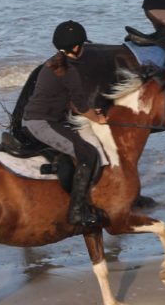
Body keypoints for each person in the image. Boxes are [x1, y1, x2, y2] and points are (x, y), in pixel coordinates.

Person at [23, 20, 106, 226]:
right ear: (76, 47)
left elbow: (70, 102)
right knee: (88, 154)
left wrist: (87, 111)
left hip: (45, 118)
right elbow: (81, 105)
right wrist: (99, 118)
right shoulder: (70, 71)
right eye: (83, 45)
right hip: (41, 123)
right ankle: (76, 211)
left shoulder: (53, 63)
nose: (83, 48)